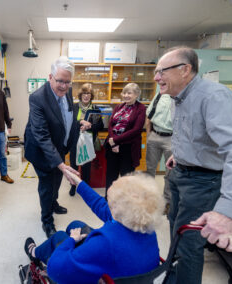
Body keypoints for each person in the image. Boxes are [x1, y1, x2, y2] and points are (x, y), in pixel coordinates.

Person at [154, 46, 232, 284]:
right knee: (177, 234)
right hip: (180, 174)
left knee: (189, 246)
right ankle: (173, 277)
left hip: (203, 183)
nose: (156, 77)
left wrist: (228, 210)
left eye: (162, 71)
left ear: (185, 70)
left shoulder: (214, 96)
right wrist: (180, 156)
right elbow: (195, 135)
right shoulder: (176, 97)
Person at [24, 171, 165, 284]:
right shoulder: (145, 227)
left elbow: (55, 269)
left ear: (116, 208)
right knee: (75, 225)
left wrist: (71, 240)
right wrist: (79, 183)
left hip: (104, 271)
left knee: (60, 237)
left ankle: (34, 253)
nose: (107, 205)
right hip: (125, 269)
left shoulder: (104, 243)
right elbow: (100, 205)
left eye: (110, 203)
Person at [24, 56, 79, 238]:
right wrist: (61, 164)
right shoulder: (37, 98)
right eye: (60, 81)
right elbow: (41, 136)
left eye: (67, 82)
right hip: (42, 150)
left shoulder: (67, 92)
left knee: (57, 180)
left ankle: (53, 203)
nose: (64, 86)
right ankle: (46, 220)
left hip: (59, 146)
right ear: (50, 77)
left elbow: (67, 117)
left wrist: (80, 124)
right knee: (47, 185)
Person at [105, 83, 146, 195]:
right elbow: (110, 124)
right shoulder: (119, 106)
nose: (126, 95)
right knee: (111, 176)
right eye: (124, 93)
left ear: (136, 94)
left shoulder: (141, 108)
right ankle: (108, 198)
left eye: (129, 93)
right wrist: (113, 142)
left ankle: (125, 203)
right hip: (113, 147)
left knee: (126, 178)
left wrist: (116, 141)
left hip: (128, 148)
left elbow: (136, 129)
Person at [69, 83, 104, 196]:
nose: (86, 96)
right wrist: (81, 122)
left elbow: (101, 125)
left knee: (86, 167)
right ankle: (73, 186)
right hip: (74, 141)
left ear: (91, 95)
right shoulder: (74, 107)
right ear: (80, 95)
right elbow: (69, 123)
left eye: (88, 93)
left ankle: (85, 189)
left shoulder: (95, 109)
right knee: (74, 166)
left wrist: (89, 126)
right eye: (84, 93)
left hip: (88, 142)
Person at [145, 92, 173, 210]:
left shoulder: (182, 97)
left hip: (172, 138)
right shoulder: (159, 95)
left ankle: (167, 202)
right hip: (155, 135)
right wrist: (148, 135)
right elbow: (149, 115)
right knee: (150, 169)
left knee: (170, 172)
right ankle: (148, 199)